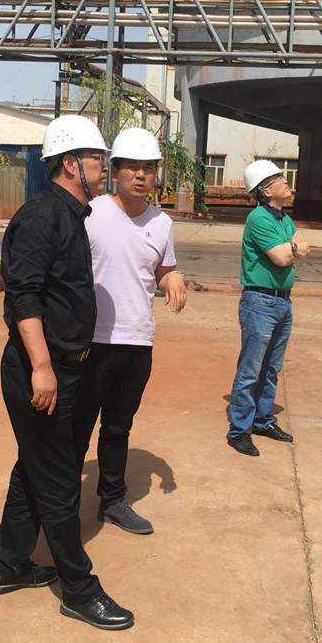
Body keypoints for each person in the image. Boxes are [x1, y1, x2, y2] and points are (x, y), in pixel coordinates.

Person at [0, 115, 134, 631]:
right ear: (70, 163)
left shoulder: (73, 216)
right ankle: (79, 589)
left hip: (65, 368)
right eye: (97, 158)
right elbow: (23, 297)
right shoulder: (41, 217)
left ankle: (8, 566)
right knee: (58, 483)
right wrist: (43, 368)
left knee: (35, 469)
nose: (104, 167)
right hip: (39, 370)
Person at [73, 127, 186, 535]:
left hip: (137, 342)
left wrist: (173, 277)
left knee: (118, 427)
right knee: (76, 429)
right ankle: (63, 504)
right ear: (115, 170)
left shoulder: (162, 223)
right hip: (92, 343)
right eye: (132, 167)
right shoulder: (90, 213)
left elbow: (162, 269)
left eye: (149, 168)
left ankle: (112, 501)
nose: (141, 175)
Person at [226, 160, 310, 457]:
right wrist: (293, 248)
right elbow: (283, 258)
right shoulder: (259, 218)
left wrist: (294, 248)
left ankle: (262, 421)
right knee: (251, 369)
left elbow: (305, 249)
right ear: (266, 190)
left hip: (282, 302)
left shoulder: (284, 219)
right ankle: (239, 430)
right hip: (260, 303)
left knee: (271, 368)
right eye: (279, 178)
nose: (286, 181)